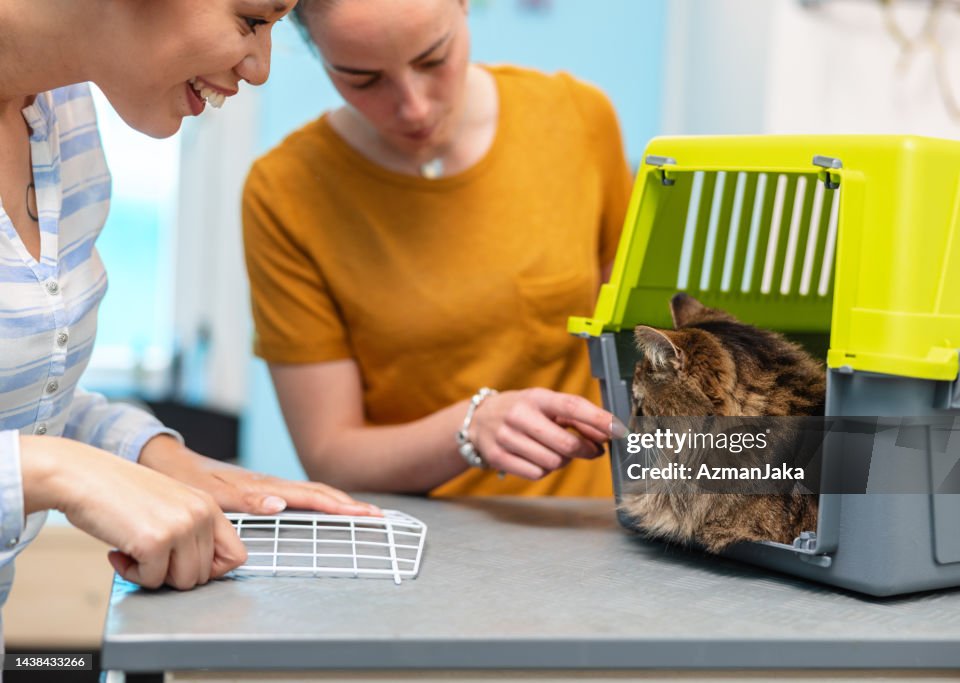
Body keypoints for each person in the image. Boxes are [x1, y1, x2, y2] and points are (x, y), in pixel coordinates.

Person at [0, 0, 380, 635]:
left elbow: (19, 395)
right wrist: (62, 471)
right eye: (253, 20)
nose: (259, 69)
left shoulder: (61, 112)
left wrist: (148, 453)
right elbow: (34, 455)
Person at [242, 0, 632, 497]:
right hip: (420, 546)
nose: (414, 107)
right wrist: (472, 426)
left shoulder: (578, 119)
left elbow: (637, 355)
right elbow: (331, 457)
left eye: (433, 59)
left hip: (594, 528)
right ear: (313, 50)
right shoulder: (285, 192)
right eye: (363, 80)